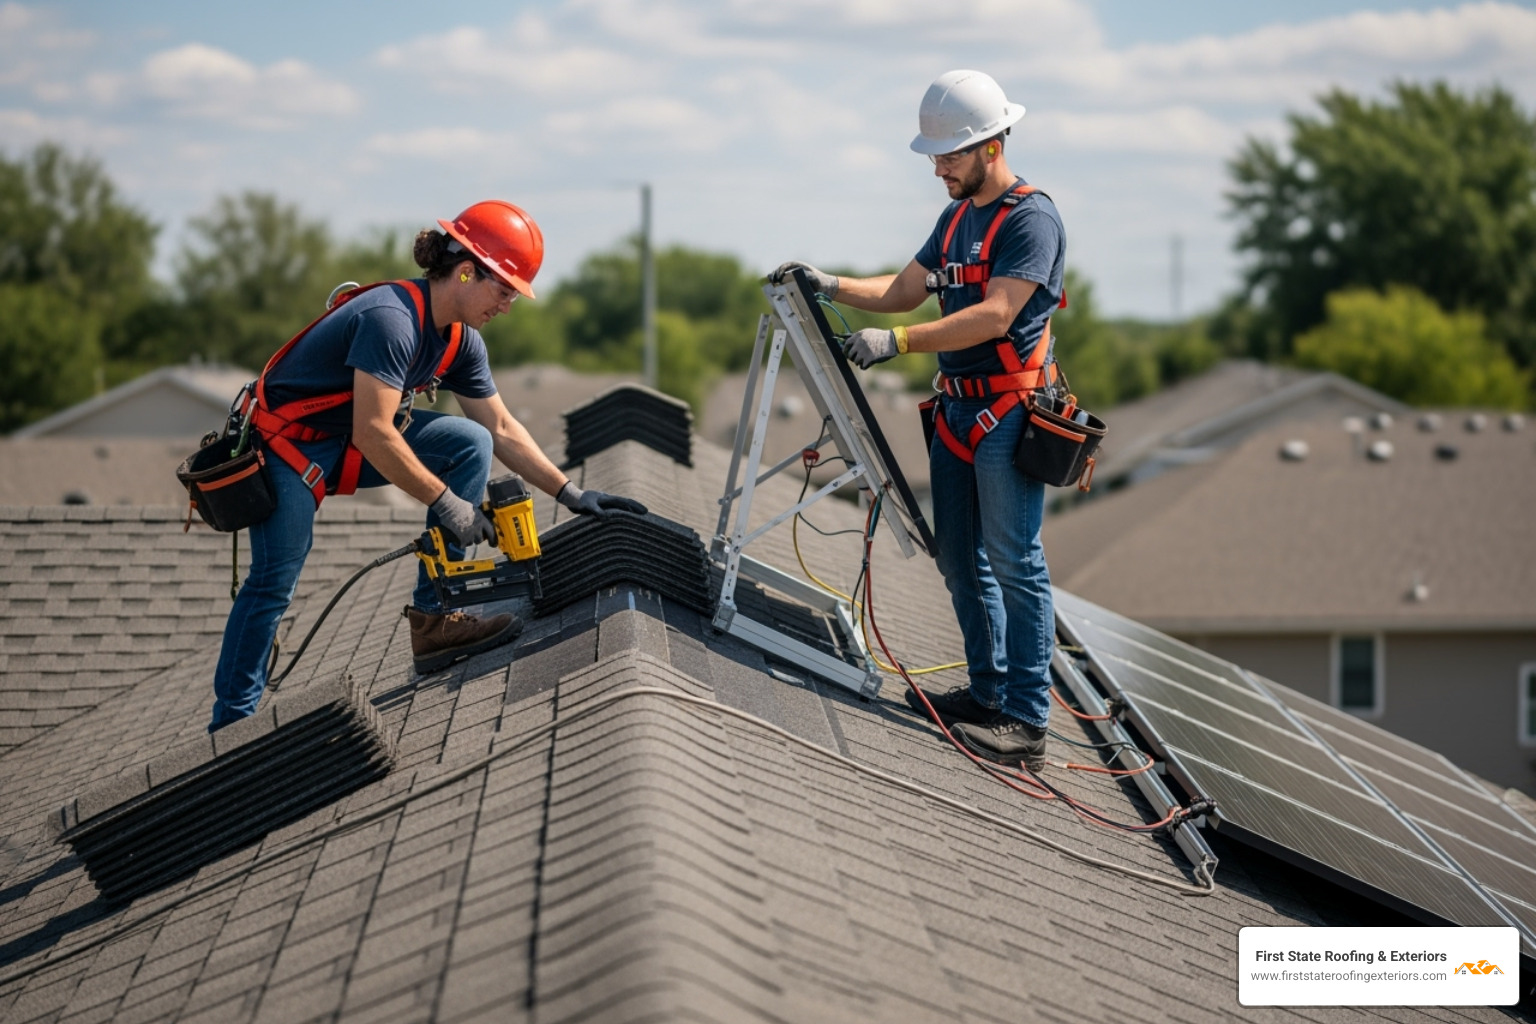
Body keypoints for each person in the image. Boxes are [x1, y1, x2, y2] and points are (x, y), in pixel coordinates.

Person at [209, 200, 646, 732]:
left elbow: (502, 428)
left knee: (468, 440)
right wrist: (449, 505)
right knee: (275, 580)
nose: (508, 304)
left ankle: (434, 621)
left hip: (350, 441)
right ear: (466, 270)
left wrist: (571, 494)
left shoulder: (462, 343)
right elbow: (374, 432)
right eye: (503, 288)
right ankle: (231, 728)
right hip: (289, 448)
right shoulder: (391, 320)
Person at [771, 70, 1064, 771]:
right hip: (961, 412)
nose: (938, 168)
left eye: (948, 156)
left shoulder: (1032, 218)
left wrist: (896, 344)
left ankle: (1027, 722)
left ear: (991, 147)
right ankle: (988, 693)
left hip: (1008, 414)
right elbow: (905, 290)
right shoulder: (957, 218)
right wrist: (831, 283)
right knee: (961, 563)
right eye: (935, 157)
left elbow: (996, 314)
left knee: (1016, 564)